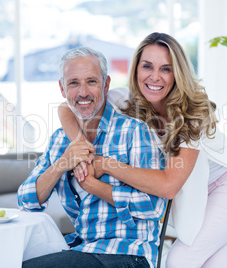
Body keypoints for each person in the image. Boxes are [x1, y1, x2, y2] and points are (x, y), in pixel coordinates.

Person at [58, 32, 227, 267]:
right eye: (147, 66)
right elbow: (66, 108)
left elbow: (168, 186)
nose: (155, 77)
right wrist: (79, 144)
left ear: (177, 74)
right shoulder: (123, 99)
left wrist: (105, 164)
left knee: (180, 260)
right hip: (195, 189)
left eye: (166, 69)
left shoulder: (192, 113)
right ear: (136, 69)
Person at [18, 46, 167, 268]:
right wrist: (61, 164)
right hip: (83, 248)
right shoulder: (60, 140)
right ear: (62, 88)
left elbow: (153, 207)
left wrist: (93, 185)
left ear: (106, 84)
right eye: (74, 83)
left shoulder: (133, 131)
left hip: (129, 254)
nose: (83, 92)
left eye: (91, 81)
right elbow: (26, 200)